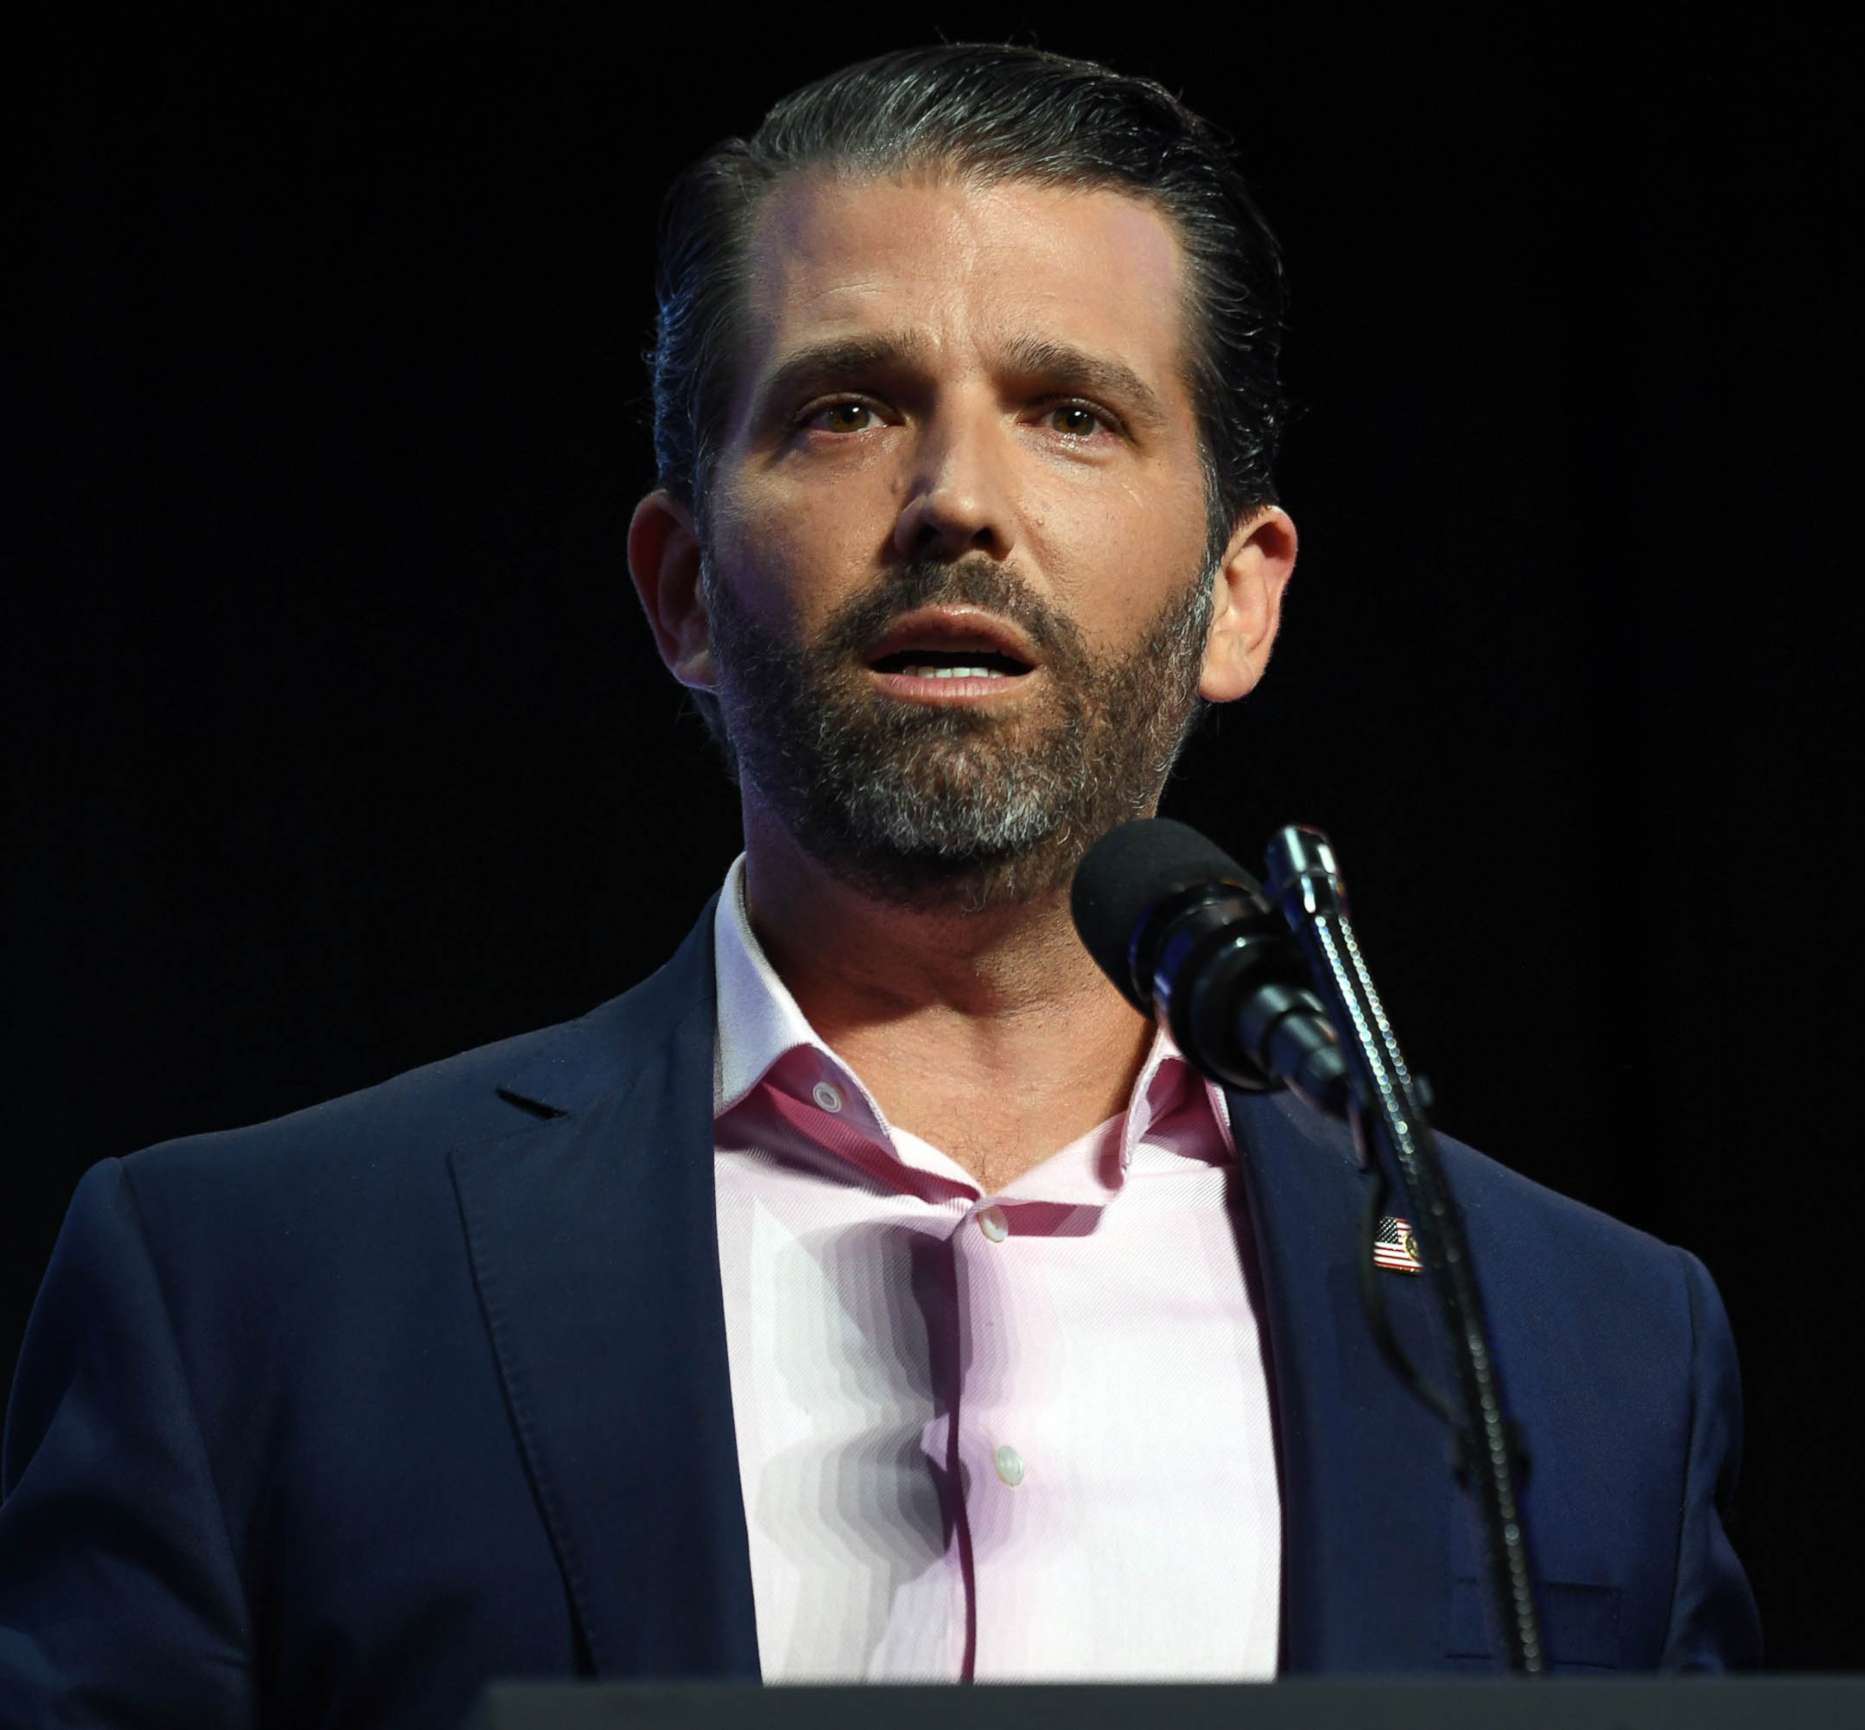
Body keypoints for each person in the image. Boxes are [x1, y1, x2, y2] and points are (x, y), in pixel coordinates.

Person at [0, 44, 1759, 1728]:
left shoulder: (1586, 1339)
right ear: (682, 589)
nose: (956, 502)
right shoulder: (247, 1291)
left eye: (1073, 413)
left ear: (1242, 594)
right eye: (848, 409)